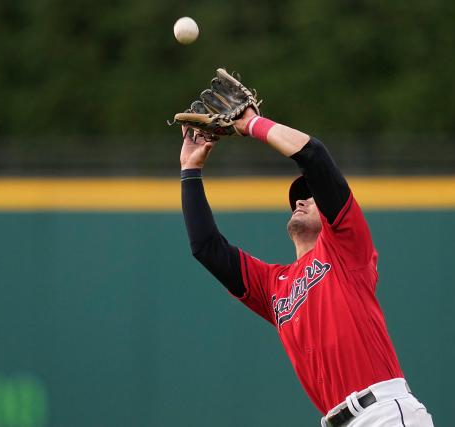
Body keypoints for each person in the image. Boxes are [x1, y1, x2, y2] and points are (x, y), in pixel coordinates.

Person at [179, 106, 434, 426]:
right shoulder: (272, 285)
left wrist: (252, 124)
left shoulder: (345, 246)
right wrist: (190, 169)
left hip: (382, 411)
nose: (300, 201)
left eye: (310, 196)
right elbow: (206, 247)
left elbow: (313, 156)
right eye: (297, 198)